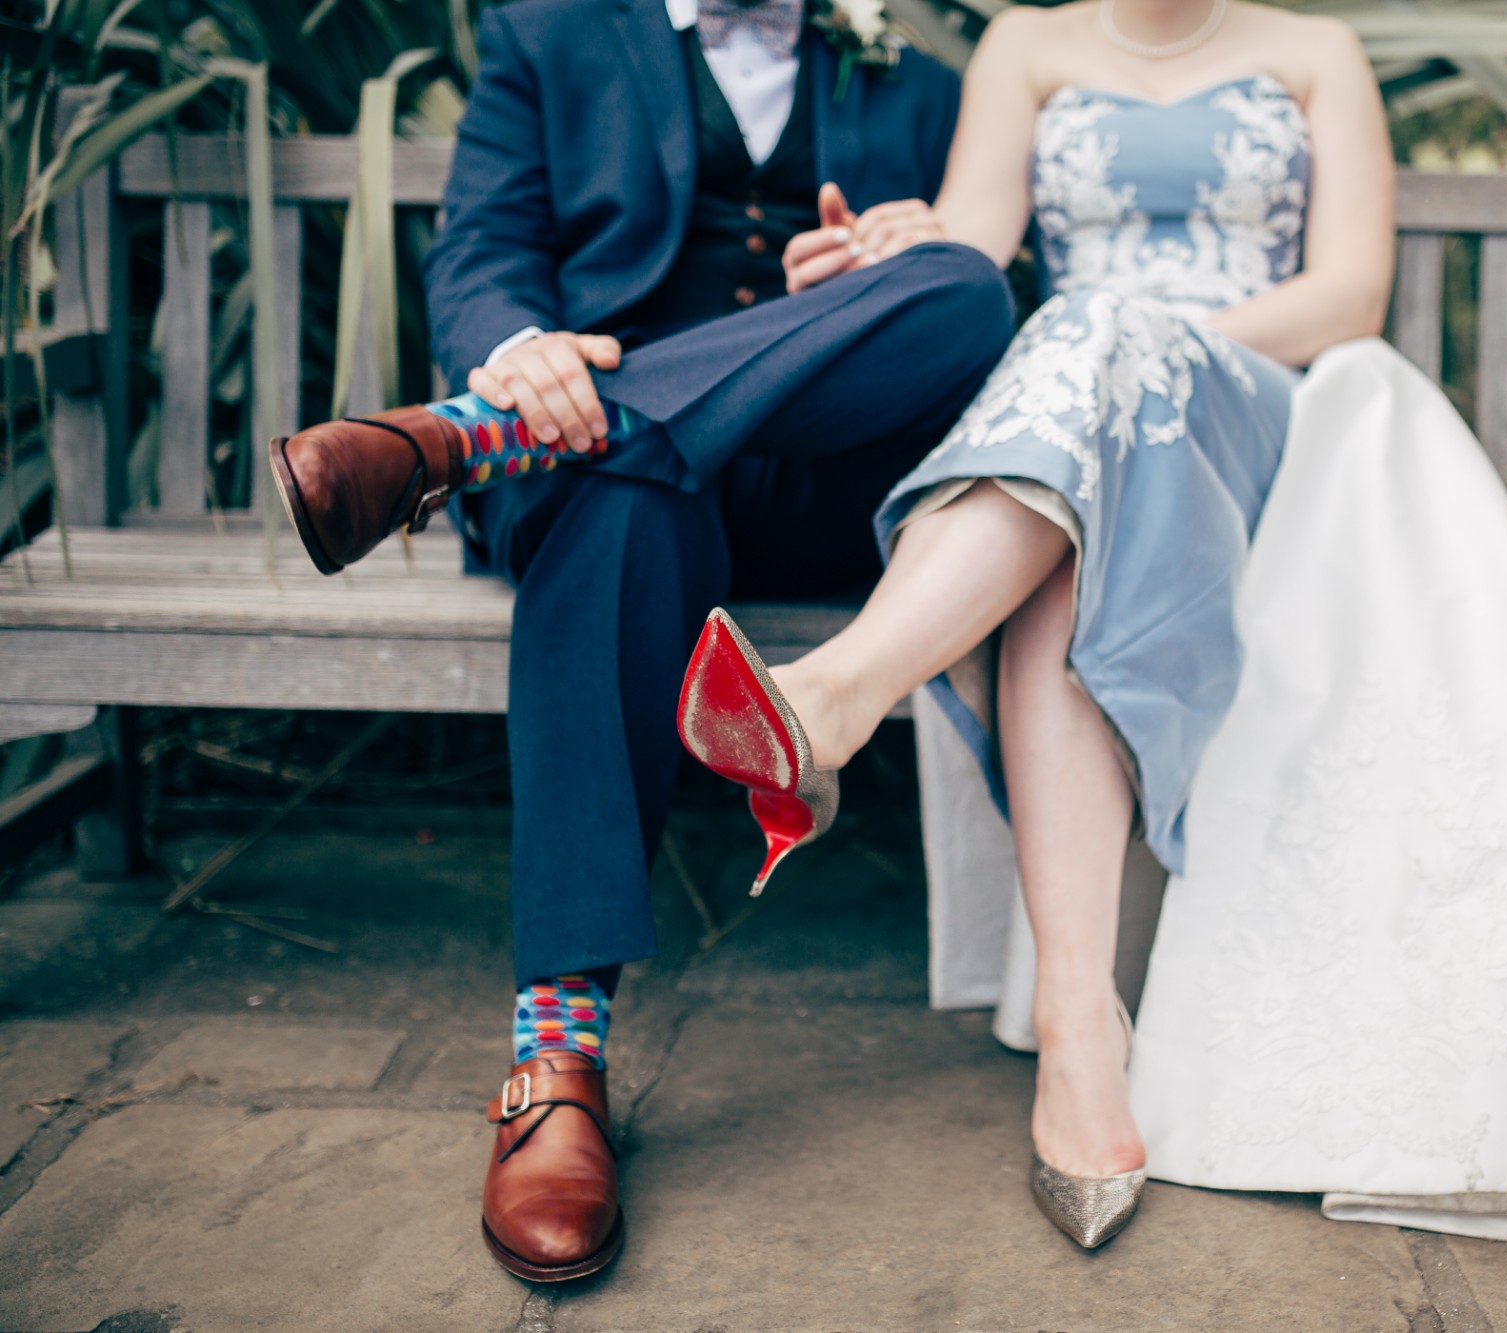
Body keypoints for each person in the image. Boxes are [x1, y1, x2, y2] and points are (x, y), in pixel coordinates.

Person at [672, 0, 1507, 1258]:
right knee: (1073, 514)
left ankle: (834, 702)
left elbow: (1350, 292)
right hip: (1084, 434)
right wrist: (887, 251)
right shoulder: (1027, 45)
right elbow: (974, 236)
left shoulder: (1316, 48)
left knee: (1089, 361)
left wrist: (1147, 343)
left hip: (1262, 416)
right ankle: (1081, 1031)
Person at [266, 0, 1014, 1283]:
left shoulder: (928, 83)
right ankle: (556, 1059)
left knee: (963, 284)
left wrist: (887, 262)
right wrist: (518, 357)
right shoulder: (548, 34)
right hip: (607, 490)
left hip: (810, 487)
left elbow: (992, 319)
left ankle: (456, 447)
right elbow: (485, 247)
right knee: (620, 506)